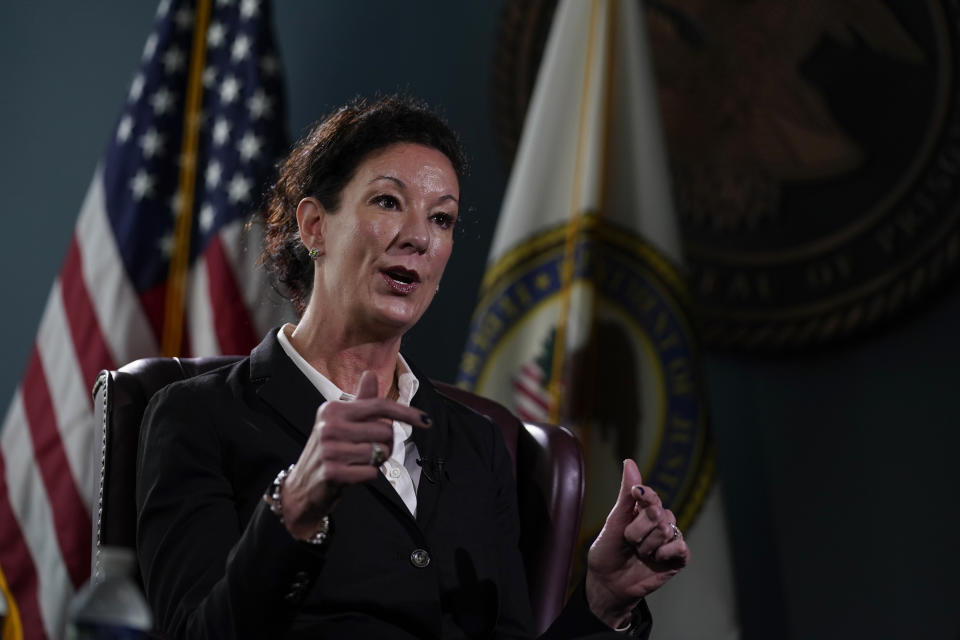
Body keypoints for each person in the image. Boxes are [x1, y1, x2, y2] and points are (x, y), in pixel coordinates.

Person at [135, 95, 690, 639]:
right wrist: (291, 513)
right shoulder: (198, 417)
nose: (419, 237)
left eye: (442, 218)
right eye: (387, 202)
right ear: (313, 226)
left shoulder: (478, 443)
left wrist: (602, 602)